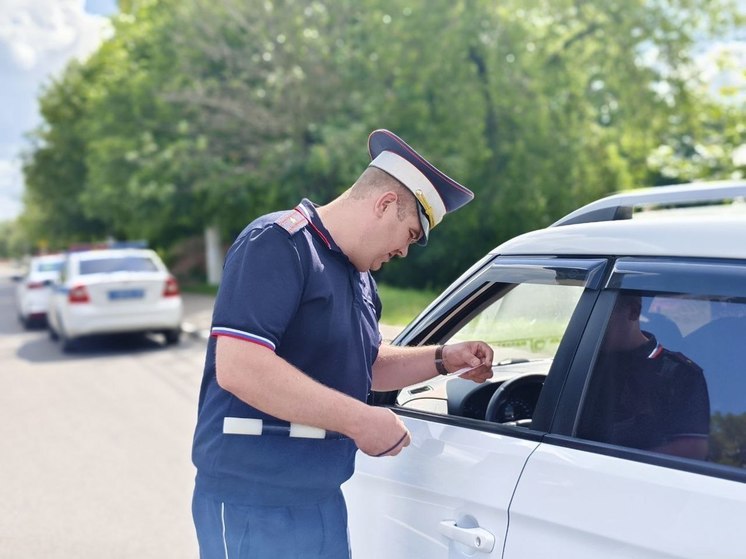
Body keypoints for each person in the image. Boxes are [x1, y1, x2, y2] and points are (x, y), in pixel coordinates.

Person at [191, 129, 494, 558]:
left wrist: (444, 358)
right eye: (408, 233)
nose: (405, 252)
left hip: (320, 500)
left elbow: (363, 364)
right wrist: (359, 420)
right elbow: (240, 366)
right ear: (385, 203)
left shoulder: (361, 278)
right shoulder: (279, 244)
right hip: (253, 503)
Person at [579, 293, 710, 460]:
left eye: (602, 316)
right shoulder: (584, 361)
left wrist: (613, 463)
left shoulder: (680, 374)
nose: (591, 326)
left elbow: (692, 449)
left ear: (634, 311)